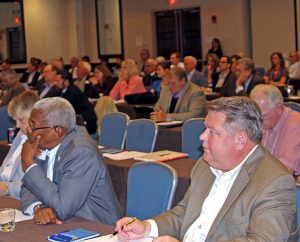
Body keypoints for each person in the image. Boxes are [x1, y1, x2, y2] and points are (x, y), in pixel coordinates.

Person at [116, 96, 297, 242]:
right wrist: (147, 228)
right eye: (205, 129)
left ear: (240, 140)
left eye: (212, 132)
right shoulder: (205, 164)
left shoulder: (274, 182)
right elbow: (185, 212)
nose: (202, 137)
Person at [20, 97, 122, 225]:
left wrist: (28, 164)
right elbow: (29, 186)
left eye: (33, 126)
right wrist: (38, 207)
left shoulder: (81, 153)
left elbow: (62, 209)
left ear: (57, 131)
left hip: (96, 228)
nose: (28, 130)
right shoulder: (45, 142)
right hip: (67, 223)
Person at [250, 84, 300, 180]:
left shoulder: (295, 125)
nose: (258, 121)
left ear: (279, 109)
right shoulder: (265, 120)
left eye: (263, 116)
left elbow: (284, 173)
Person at [0, 91, 39, 199]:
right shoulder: (21, 134)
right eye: (15, 120)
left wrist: (5, 187)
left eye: (21, 120)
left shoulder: (42, 142)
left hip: (16, 198)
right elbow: (6, 166)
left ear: (34, 116)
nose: (17, 125)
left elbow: (34, 186)